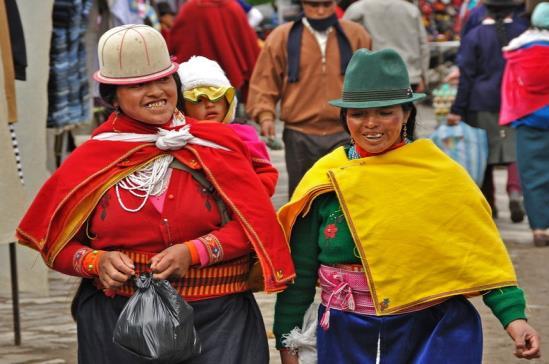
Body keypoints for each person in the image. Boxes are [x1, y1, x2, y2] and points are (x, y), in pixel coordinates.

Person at [16, 24, 295, 364]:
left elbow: (256, 225)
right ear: (112, 97)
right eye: (137, 85)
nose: (155, 91)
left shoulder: (218, 144)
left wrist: (195, 251)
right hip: (120, 325)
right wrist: (95, 261)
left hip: (220, 323)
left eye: (163, 80)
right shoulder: (93, 158)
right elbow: (56, 246)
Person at [274, 48, 541, 363]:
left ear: (407, 113)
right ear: (345, 117)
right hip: (345, 334)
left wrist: (515, 318)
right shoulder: (325, 179)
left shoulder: (440, 175)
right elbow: (301, 272)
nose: (371, 124)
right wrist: (287, 339)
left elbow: (480, 255)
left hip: (430, 331)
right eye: (358, 114)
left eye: (385, 111)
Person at [246, 0, 372, 197]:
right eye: (313, 5)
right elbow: (265, 79)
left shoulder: (356, 34)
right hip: (299, 132)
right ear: (303, 4)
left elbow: (369, 80)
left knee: (348, 195)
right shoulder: (282, 36)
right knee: (303, 196)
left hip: (345, 130)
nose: (320, 11)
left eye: (326, 4)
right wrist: (265, 115)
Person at [448, 0, 528, 221]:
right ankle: (514, 192)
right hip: (515, 102)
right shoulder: (522, 33)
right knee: (514, 151)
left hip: (480, 102)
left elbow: (466, 79)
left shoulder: (474, 35)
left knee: (484, 155)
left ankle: (489, 205)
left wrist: (457, 109)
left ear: (485, 9)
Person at [178, 55, 277, 196]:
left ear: (228, 101)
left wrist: (252, 194)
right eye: (198, 100)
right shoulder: (178, 139)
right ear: (184, 107)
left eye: (216, 96)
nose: (210, 104)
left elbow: (266, 172)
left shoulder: (244, 136)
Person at [499, 2, 549, 246]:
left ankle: (539, 229)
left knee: (532, 176)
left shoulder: (517, 51)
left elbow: (510, 86)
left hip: (529, 122)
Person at [168, 0, 260, 103]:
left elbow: (174, 43)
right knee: (231, 111)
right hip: (231, 77)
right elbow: (248, 43)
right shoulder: (233, 7)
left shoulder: (190, 9)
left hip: (198, 82)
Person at [344, 0, 430, 92]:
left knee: (374, 106)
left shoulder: (358, 9)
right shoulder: (411, 10)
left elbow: (344, 41)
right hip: (409, 76)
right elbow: (423, 45)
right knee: (405, 106)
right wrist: (423, 77)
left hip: (372, 77)